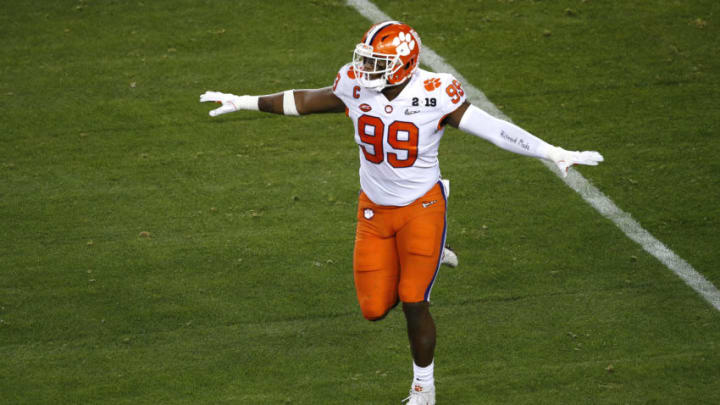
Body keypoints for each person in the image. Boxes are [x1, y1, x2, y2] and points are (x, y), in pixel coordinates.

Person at [200, 21, 603, 405]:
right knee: (374, 309)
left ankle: (423, 387)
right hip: (373, 211)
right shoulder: (354, 84)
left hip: (422, 207)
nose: (365, 69)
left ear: (405, 65)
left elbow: (494, 128)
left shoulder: (436, 91)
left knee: (414, 299)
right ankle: (428, 256)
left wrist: (551, 151)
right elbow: (304, 101)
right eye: (365, 59)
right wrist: (244, 101)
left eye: (377, 63)